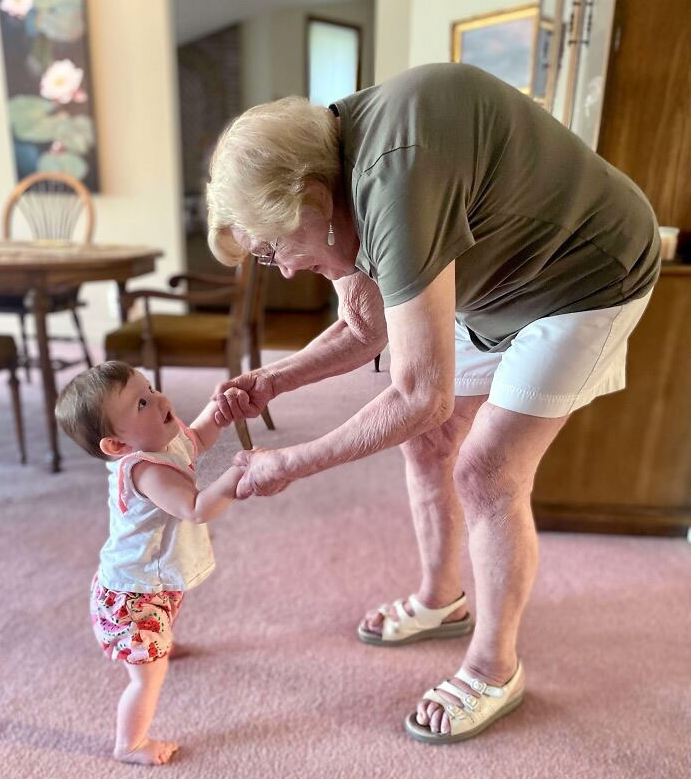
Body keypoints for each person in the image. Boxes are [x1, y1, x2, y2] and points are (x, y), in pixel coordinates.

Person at [205, 63, 660, 743]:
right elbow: (369, 327)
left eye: (274, 251)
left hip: (586, 276)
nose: (288, 268)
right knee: (432, 440)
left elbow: (419, 393)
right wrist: (276, 380)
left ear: (309, 198)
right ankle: (441, 600)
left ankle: (494, 666)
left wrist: (292, 462)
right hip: (495, 282)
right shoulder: (323, 158)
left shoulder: (391, 182)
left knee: (487, 471)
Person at [55, 361, 243, 765]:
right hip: (130, 598)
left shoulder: (163, 440)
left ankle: (159, 644)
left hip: (149, 583)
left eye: (152, 388)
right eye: (143, 402)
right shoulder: (144, 470)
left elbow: (199, 439)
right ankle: (131, 744)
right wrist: (237, 476)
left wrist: (218, 412)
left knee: (165, 619)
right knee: (147, 679)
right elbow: (195, 508)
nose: (161, 400)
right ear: (118, 446)